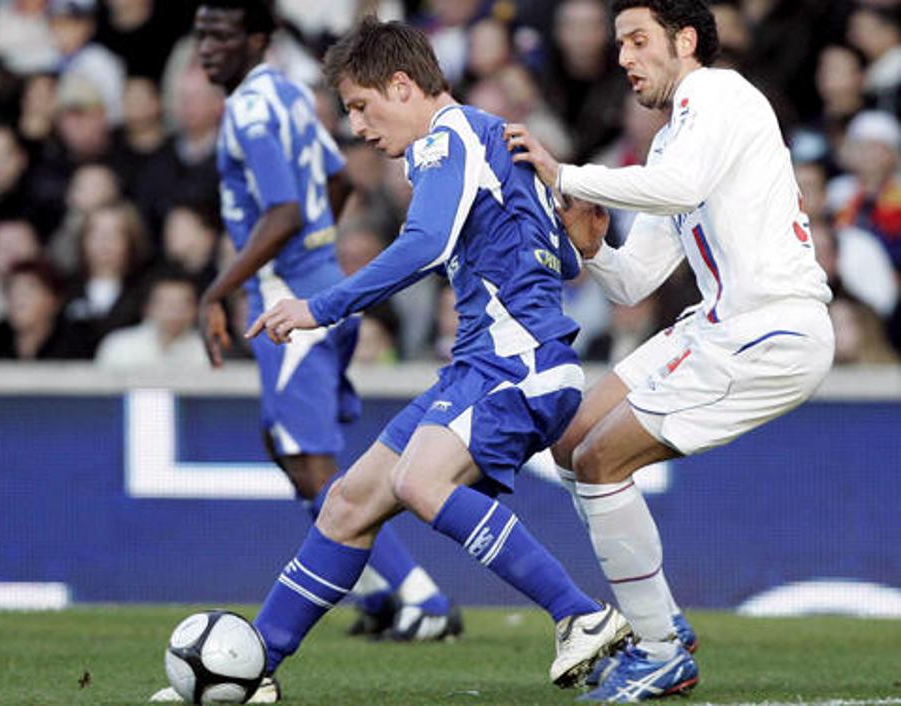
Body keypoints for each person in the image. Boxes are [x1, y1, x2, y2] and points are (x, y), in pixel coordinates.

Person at [241, 14, 630, 701]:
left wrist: (317, 307)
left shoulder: (443, 142)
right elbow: (560, 257)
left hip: (513, 364)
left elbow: (422, 246)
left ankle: (580, 615)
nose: (358, 127)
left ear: (401, 84)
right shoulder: (495, 137)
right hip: (497, 364)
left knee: (420, 482)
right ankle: (251, 669)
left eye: (360, 106)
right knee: (348, 504)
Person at [503, 0, 835, 701]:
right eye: (619, 43)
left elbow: (678, 190)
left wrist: (565, 174)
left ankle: (658, 648)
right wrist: (591, 248)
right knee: (569, 442)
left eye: (637, 40)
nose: (623, 56)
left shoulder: (717, 92)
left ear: (685, 41)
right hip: (715, 323)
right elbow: (633, 284)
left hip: (768, 329)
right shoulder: (669, 142)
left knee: (599, 461)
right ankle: (664, 631)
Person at [150, 7, 459, 702]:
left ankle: (421, 599)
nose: (206, 50)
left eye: (222, 36)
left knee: (311, 461)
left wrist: (218, 289)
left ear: (258, 40)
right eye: (199, 35)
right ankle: (383, 590)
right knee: (289, 448)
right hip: (315, 290)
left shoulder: (251, 114)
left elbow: (285, 209)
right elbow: (336, 181)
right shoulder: (289, 90)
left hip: (291, 303)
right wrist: (318, 250)